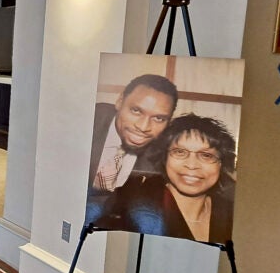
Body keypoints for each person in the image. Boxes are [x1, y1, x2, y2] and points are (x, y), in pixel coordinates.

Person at [96, 114, 237, 244]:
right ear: (164, 158)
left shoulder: (232, 214)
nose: (192, 165)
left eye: (206, 155)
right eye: (180, 152)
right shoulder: (128, 206)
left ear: (222, 164)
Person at [87, 73, 178, 195]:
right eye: (136, 111)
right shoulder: (87, 120)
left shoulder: (164, 155)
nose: (143, 127)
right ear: (119, 101)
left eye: (159, 118)